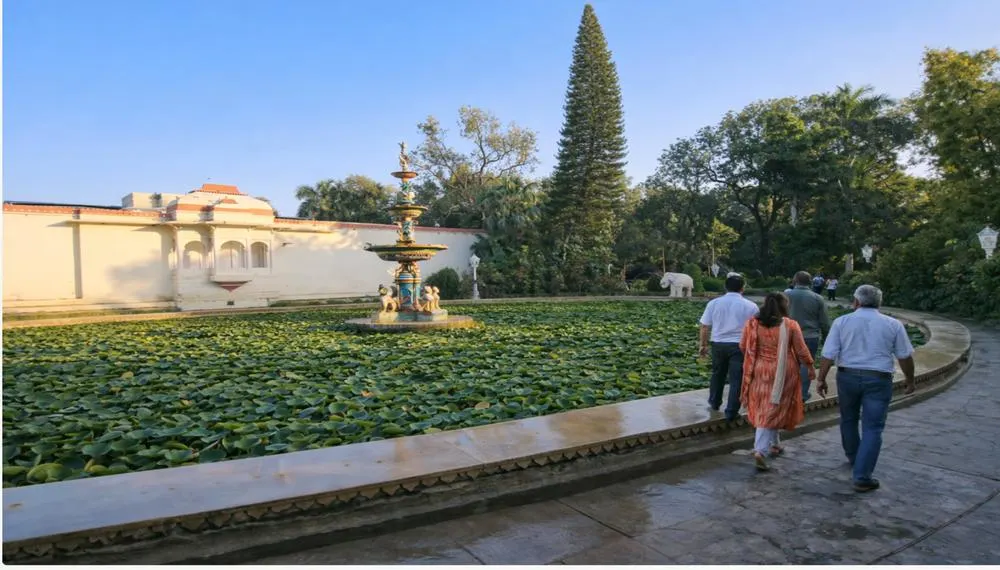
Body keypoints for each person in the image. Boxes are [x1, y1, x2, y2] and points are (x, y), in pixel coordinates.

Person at [816, 285, 916, 493]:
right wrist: (910, 380)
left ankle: (854, 456)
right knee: (873, 427)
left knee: (848, 418)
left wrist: (821, 379)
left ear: (856, 302)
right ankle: (862, 476)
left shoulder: (841, 322)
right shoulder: (892, 324)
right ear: (879, 303)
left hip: (847, 376)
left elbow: (828, 354)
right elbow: (905, 356)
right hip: (878, 379)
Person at [739, 293, 815, 471]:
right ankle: (761, 450)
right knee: (772, 408)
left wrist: (756, 359)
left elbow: (743, 346)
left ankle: (775, 443)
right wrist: (810, 367)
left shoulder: (752, 323)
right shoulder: (790, 325)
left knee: (766, 405)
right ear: (784, 306)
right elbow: (801, 350)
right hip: (783, 371)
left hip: (758, 369)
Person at [699, 273, 760, 422]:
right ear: (742, 288)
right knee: (737, 379)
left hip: (718, 344)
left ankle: (714, 403)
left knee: (717, 374)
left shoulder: (714, 303)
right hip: (740, 346)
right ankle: (732, 411)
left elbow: (704, 326)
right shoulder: (751, 306)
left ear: (725, 287)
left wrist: (703, 345)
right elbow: (756, 329)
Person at [785, 271, 831, 402]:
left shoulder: (786, 295)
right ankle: (802, 394)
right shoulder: (817, 298)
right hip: (810, 336)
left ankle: (787, 392)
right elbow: (824, 321)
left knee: (788, 363)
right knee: (806, 364)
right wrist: (826, 337)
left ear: (795, 280)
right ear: (810, 282)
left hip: (789, 335)